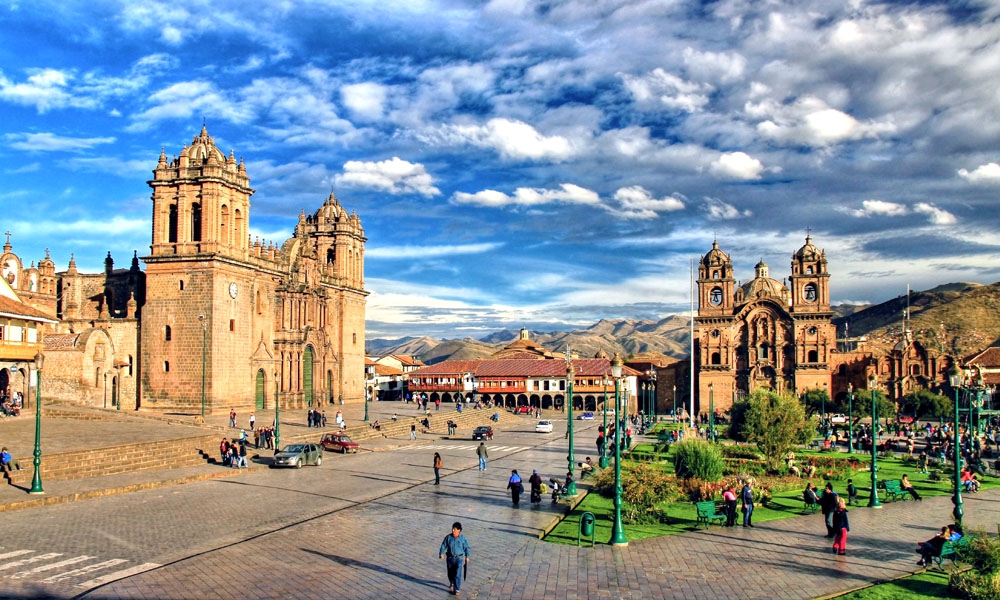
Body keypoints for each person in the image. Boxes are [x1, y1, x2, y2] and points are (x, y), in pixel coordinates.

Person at [439, 521, 471, 596]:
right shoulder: (448, 537)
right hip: (450, 558)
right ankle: (452, 582)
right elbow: (444, 545)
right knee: (450, 573)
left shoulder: (463, 538)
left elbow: (467, 547)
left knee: (458, 574)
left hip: (459, 558)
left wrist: (467, 556)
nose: (453, 530)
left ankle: (457, 589)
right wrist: (441, 553)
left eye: (455, 529)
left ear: (459, 530)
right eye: (453, 529)